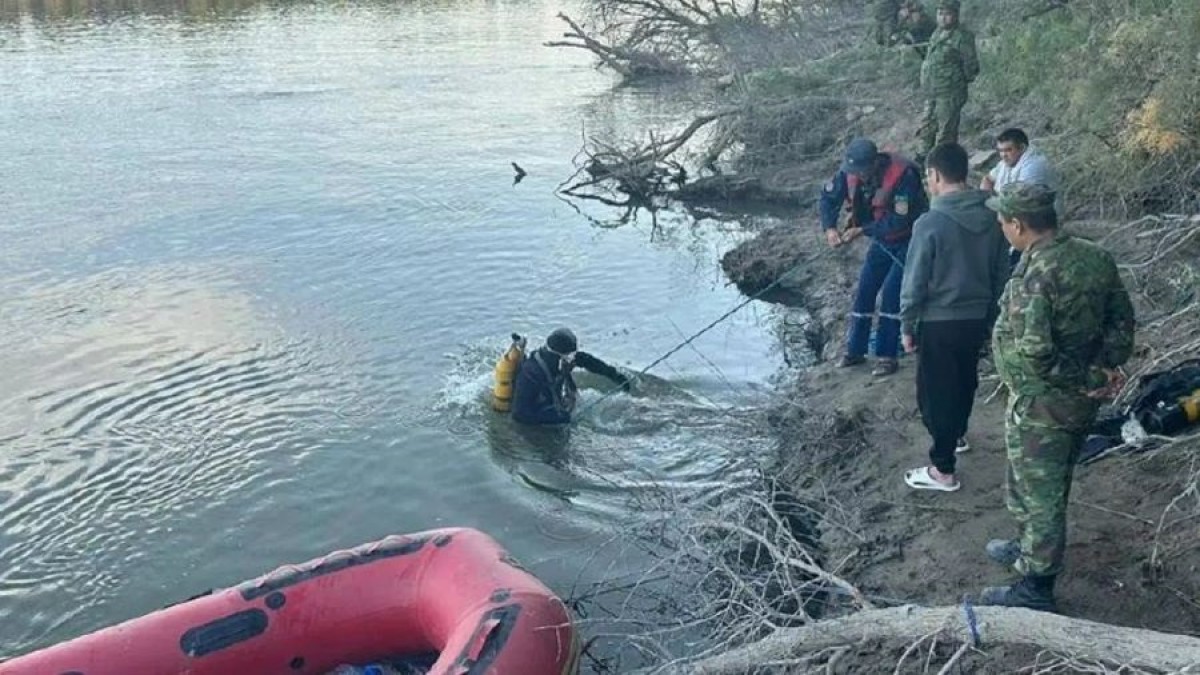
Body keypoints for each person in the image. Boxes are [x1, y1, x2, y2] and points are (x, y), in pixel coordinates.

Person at [979, 182, 1135, 611]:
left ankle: (1035, 588)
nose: (1000, 226)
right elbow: (1123, 319)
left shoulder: (1038, 275)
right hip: (1071, 398)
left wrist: (1088, 375)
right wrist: (1107, 366)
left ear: (1018, 224)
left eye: (1002, 220)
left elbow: (1036, 354)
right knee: (1031, 479)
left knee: (1043, 489)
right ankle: (1029, 545)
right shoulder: (1093, 256)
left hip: (1046, 402)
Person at [899, 143, 1010, 492]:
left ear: (934, 175)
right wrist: (992, 315)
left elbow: (914, 280)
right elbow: (1001, 272)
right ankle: (956, 435)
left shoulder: (929, 223)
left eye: (929, 178)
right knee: (964, 382)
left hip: (939, 320)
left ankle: (942, 470)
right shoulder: (993, 217)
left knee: (934, 393)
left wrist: (907, 324)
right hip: (977, 317)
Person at [819, 138, 929, 376]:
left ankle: (887, 356)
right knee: (865, 290)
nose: (857, 175)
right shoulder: (846, 173)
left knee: (891, 294)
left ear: (873, 164)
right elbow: (828, 199)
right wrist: (830, 229)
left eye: (861, 171)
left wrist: (863, 230)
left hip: (909, 240)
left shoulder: (904, 176)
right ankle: (855, 350)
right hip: (881, 240)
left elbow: (901, 218)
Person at [510, 328, 630, 425]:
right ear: (557, 357)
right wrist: (560, 417)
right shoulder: (531, 374)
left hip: (555, 403)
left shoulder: (562, 359)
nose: (573, 361)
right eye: (569, 358)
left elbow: (589, 362)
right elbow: (519, 414)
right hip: (539, 411)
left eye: (573, 356)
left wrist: (616, 376)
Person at [981, 129, 1063, 269]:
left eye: (1008, 150)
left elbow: (1020, 205)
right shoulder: (1005, 164)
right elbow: (987, 179)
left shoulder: (1033, 167)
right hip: (1015, 220)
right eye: (1000, 151)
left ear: (1022, 148)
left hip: (1035, 226)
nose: (1003, 155)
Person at [917, 0, 979, 159]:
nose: (943, 18)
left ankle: (943, 163)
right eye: (940, 14)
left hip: (950, 92)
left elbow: (970, 66)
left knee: (946, 131)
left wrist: (958, 82)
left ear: (955, 15)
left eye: (947, 14)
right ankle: (924, 157)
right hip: (932, 91)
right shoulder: (937, 32)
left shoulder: (962, 36)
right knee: (927, 126)